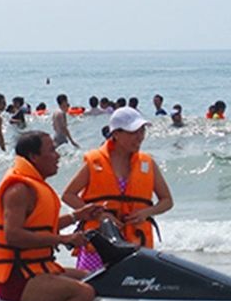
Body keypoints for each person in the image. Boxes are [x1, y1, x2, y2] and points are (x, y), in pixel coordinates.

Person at [0, 131, 103, 301]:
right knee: (83, 292)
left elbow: (41, 228)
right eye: (51, 150)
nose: (57, 155)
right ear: (33, 157)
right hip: (16, 278)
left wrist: (78, 216)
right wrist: (63, 239)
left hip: (36, 269)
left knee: (96, 278)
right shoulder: (19, 189)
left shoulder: (34, 184)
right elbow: (13, 236)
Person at [62, 107, 174, 271]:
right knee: (91, 290)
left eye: (142, 131)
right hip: (100, 244)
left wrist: (146, 213)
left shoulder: (147, 163)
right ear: (116, 133)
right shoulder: (95, 162)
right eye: (133, 132)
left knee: (132, 292)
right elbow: (68, 195)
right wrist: (100, 215)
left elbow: (167, 201)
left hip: (135, 243)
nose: (139, 137)